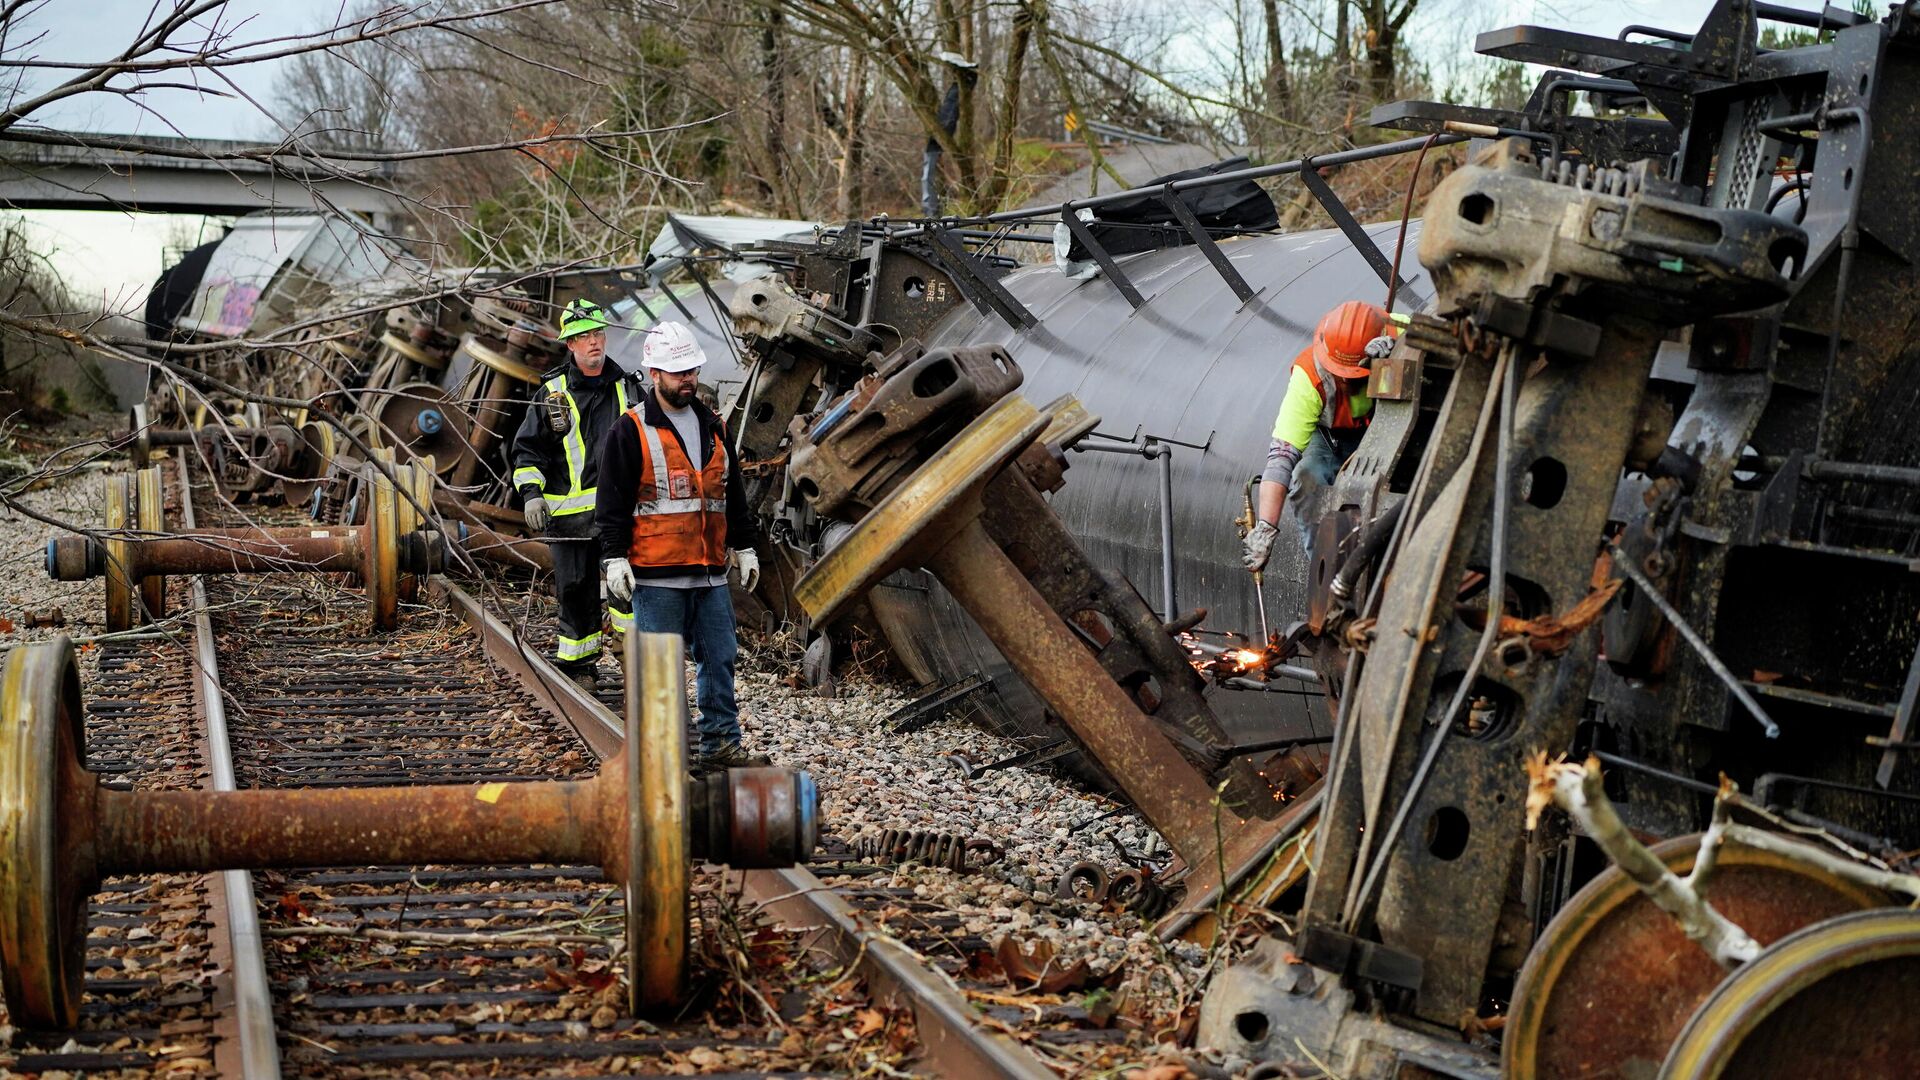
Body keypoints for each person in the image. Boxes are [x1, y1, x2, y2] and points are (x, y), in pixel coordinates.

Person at [594, 321, 762, 770]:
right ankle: (665, 759)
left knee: (720, 659)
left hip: (709, 572)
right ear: (654, 374)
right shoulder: (630, 431)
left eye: (691, 369)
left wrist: (744, 546)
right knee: (662, 673)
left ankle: (721, 746)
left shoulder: (714, 427)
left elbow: (732, 494)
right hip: (657, 575)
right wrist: (614, 558)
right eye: (678, 371)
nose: (687, 378)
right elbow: (610, 502)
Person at [510, 297, 644, 692]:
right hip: (568, 519)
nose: (593, 342)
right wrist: (532, 494)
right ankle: (579, 667)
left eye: (598, 334)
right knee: (574, 591)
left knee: (629, 589)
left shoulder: (628, 388)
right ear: (569, 345)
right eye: (583, 337)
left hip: (619, 514)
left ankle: (635, 663)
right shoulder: (551, 394)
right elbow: (527, 451)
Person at [1242, 300, 1398, 572]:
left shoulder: (1400, 330)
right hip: (1330, 438)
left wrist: (1405, 353)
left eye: (1354, 373)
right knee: (1307, 477)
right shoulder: (1310, 375)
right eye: (1341, 373)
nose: (1346, 380)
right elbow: (1281, 457)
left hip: (1388, 429)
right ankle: (1326, 573)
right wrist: (1266, 528)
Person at [920, 52, 978, 217]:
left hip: (934, 147)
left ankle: (967, 75)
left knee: (947, 116)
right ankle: (967, 77)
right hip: (934, 148)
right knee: (948, 115)